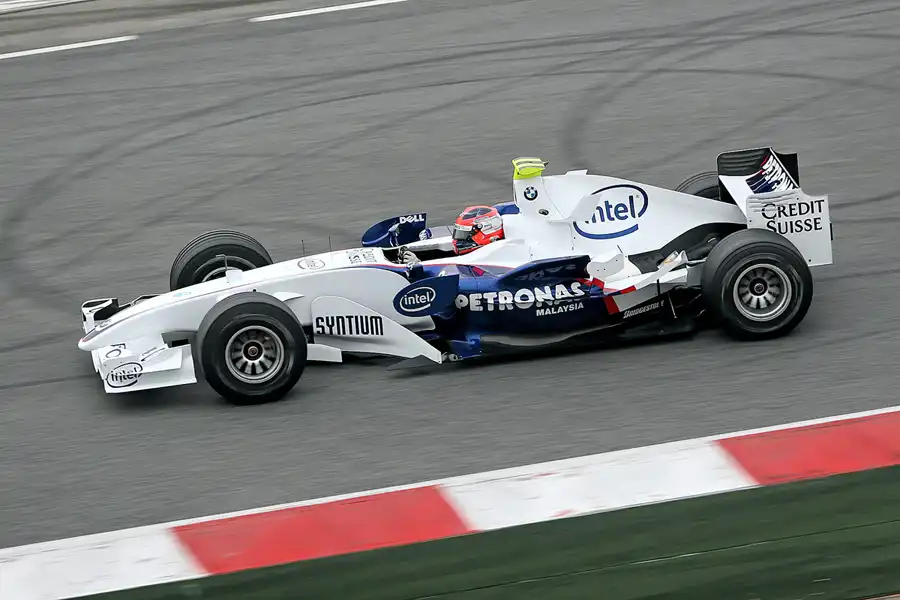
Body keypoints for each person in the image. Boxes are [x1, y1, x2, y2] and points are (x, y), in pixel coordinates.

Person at [401, 205, 505, 267]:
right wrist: (420, 260)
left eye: (463, 234)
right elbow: (447, 256)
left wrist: (420, 265)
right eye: (458, 232)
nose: (457, 239)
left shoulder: (494, 260)